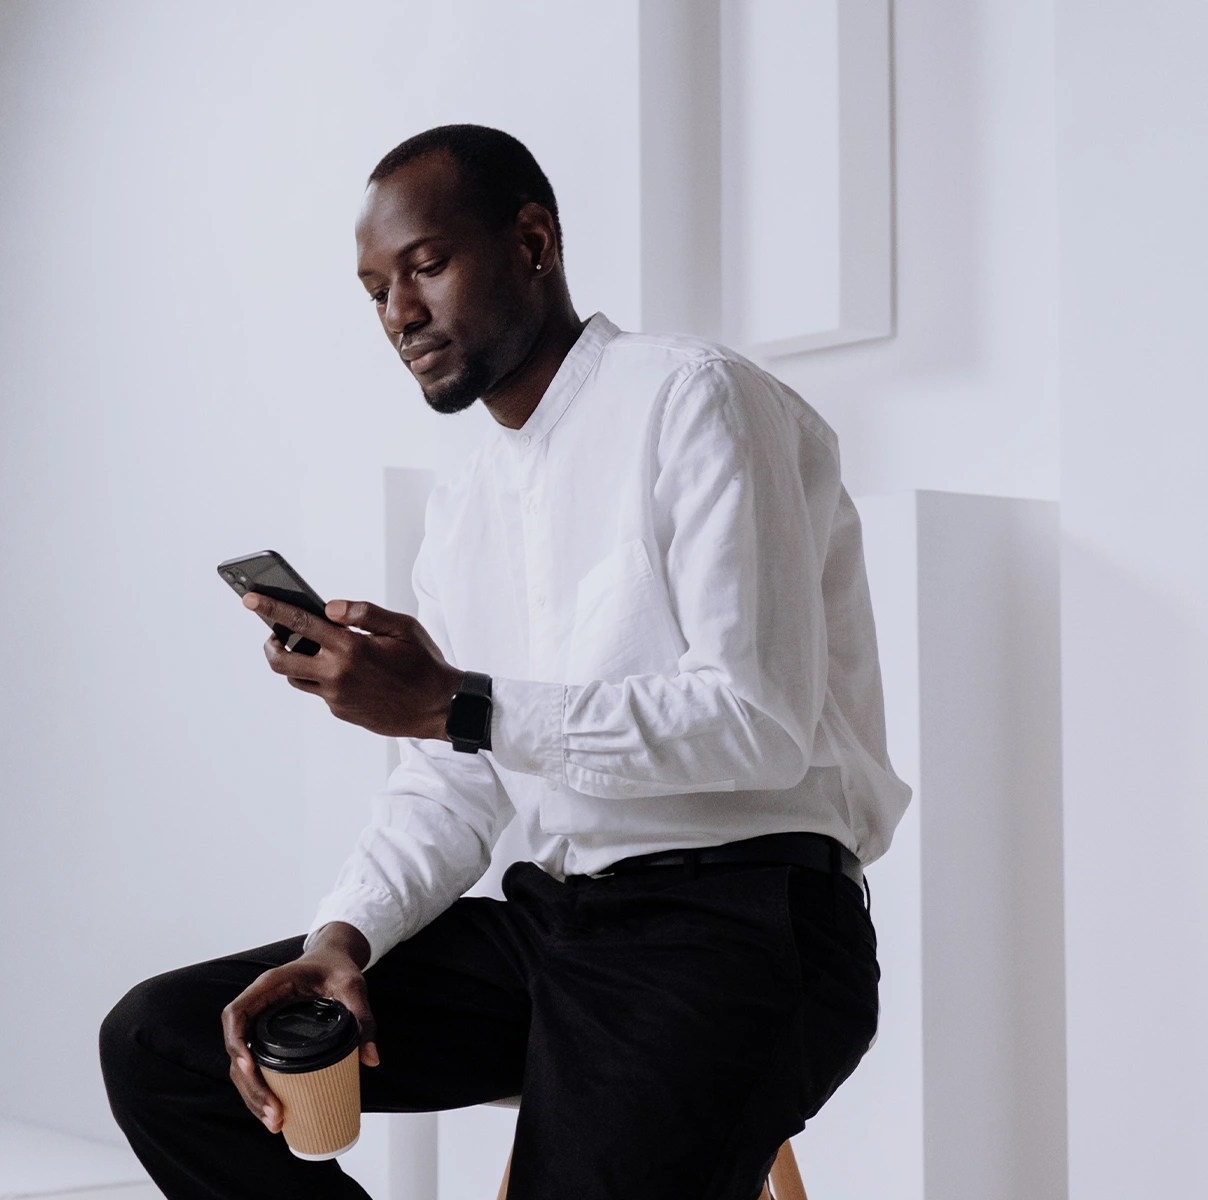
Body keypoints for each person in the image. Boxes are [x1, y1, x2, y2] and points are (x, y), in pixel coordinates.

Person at [100, 124, 910, 1200]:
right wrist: (341, 940)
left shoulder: (696, 398)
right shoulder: (467, 504)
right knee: (164, 1047)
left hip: (739, 932)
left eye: (426, 265)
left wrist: (457, 703)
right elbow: (453, 777)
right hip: (554, 930)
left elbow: (753, 722)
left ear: (533, 243)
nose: (399, 313)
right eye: (376, 288)